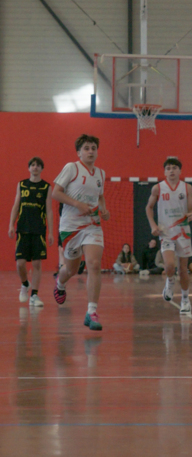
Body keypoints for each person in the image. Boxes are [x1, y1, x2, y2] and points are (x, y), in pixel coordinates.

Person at [52, 134, 110, 331]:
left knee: (94, 264)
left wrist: (104, 209)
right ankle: (60, 284)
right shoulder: (72, 168)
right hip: (71, 226)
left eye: (93, 148)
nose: (90, 151)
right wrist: (77, 204)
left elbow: (100, 197)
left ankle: (91, 311)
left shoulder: (101, 174)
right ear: (79, 152)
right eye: (86, 148)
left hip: (92, 224)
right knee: (71, 270)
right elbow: (56, 193)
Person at [146, 158, 192, 315]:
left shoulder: (187, 188)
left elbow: (191, 209)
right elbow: (149, 207)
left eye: (174, 168)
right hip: (166, 233)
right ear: (164, 172)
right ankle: (169, 282)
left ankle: (185, 300)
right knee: (169, 266)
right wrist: (153, 225)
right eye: (168, 168)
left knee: (183, 269)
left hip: (183, 232)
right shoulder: (158, 188)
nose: (171, 170)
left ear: (180, 171)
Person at [8, 157, 53, 307]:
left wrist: (51, 232)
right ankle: (25, 284)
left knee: (37, 263)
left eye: (38, 165)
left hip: (38, 229)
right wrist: (11, 225)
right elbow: (16, 206)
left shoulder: (46, 187)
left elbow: (49, 211)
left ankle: (34, 295)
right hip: (23, 229)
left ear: (42, 169)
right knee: (20, 263)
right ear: (29, 168)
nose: (35, 167)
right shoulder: (22, 185)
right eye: (33, 165)